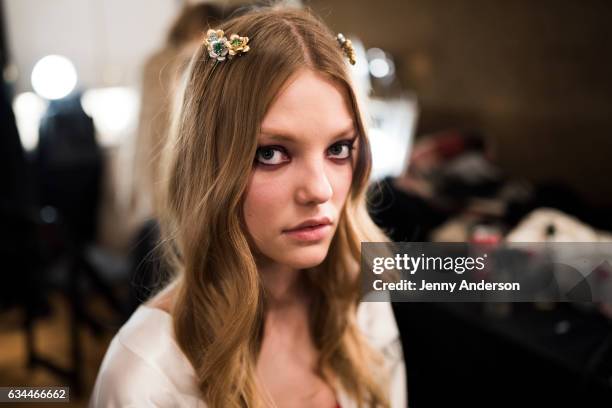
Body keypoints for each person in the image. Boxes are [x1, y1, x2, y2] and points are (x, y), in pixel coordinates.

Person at [90, 5, 406, 407]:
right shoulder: (144, 375)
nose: (320, 190)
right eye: (272, 153)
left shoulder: (363, 303)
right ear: (210, 168)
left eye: (339, 148)